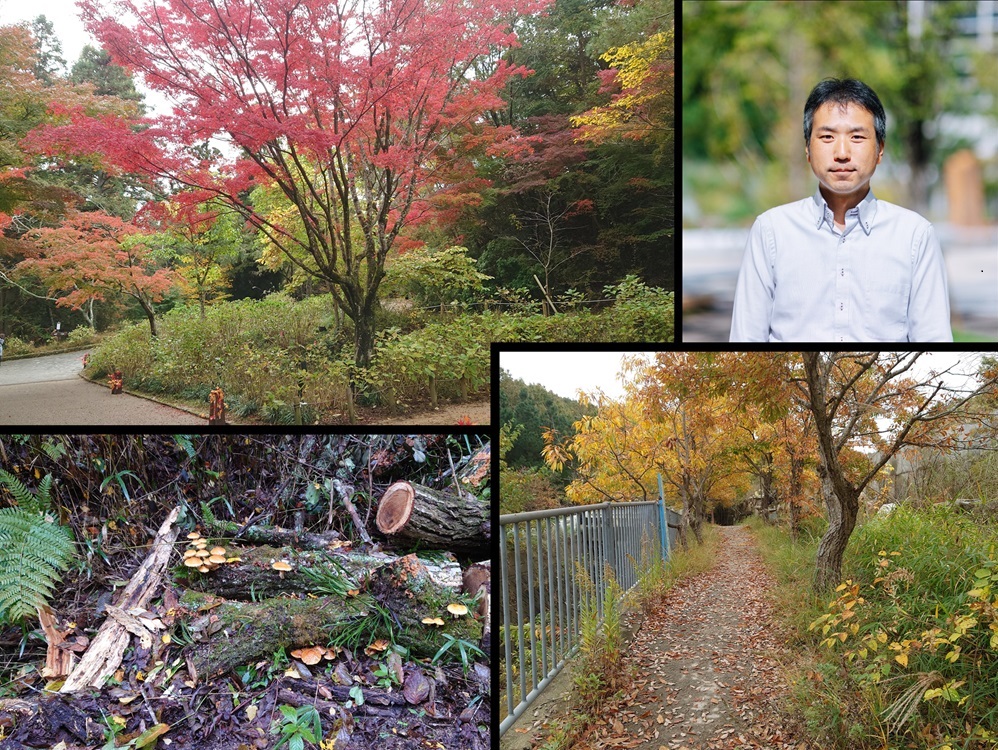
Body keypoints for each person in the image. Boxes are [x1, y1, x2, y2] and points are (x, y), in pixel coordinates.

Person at [730, 78, 952, 342]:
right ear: (807, 148)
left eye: (857, 137)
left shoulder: (915, 235)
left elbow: (933, 340)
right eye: (827, 137)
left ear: (880, 149)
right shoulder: (771, 231)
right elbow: (745, 339)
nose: (842, 153)